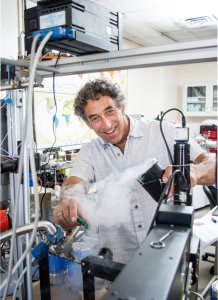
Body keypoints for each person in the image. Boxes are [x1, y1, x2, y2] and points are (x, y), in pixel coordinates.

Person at [53, 79, 216, 265]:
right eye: (95, 118)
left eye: (109, 111)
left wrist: (191, 172)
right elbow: (75, 182)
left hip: (167, 253)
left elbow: (211, 164)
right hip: (119, 261)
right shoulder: (90, 151)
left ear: (121, 107)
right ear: (88, 123)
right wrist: (70, 200)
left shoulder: (163, 131)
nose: (106, 125)